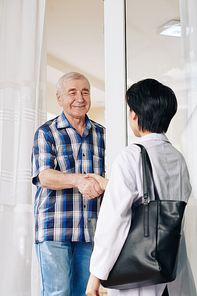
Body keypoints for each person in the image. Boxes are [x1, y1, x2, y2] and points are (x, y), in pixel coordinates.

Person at [85, 78, 196, 296]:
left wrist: (95, 277)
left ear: (134, 114)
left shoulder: (131, 155)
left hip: (140, 276)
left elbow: (113, 221)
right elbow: (164, 197)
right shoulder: (177, 157)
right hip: (174, 270)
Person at [31, 72, 105, 296]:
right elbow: (44, 176)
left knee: (86, 293)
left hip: (90, 231)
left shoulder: (102, 134)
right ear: (59, 98)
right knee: (58, 292)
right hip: (55, 229)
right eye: (72, 93)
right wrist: (80, 180)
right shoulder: (46, 133)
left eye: (85, 92)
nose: (80, 98)